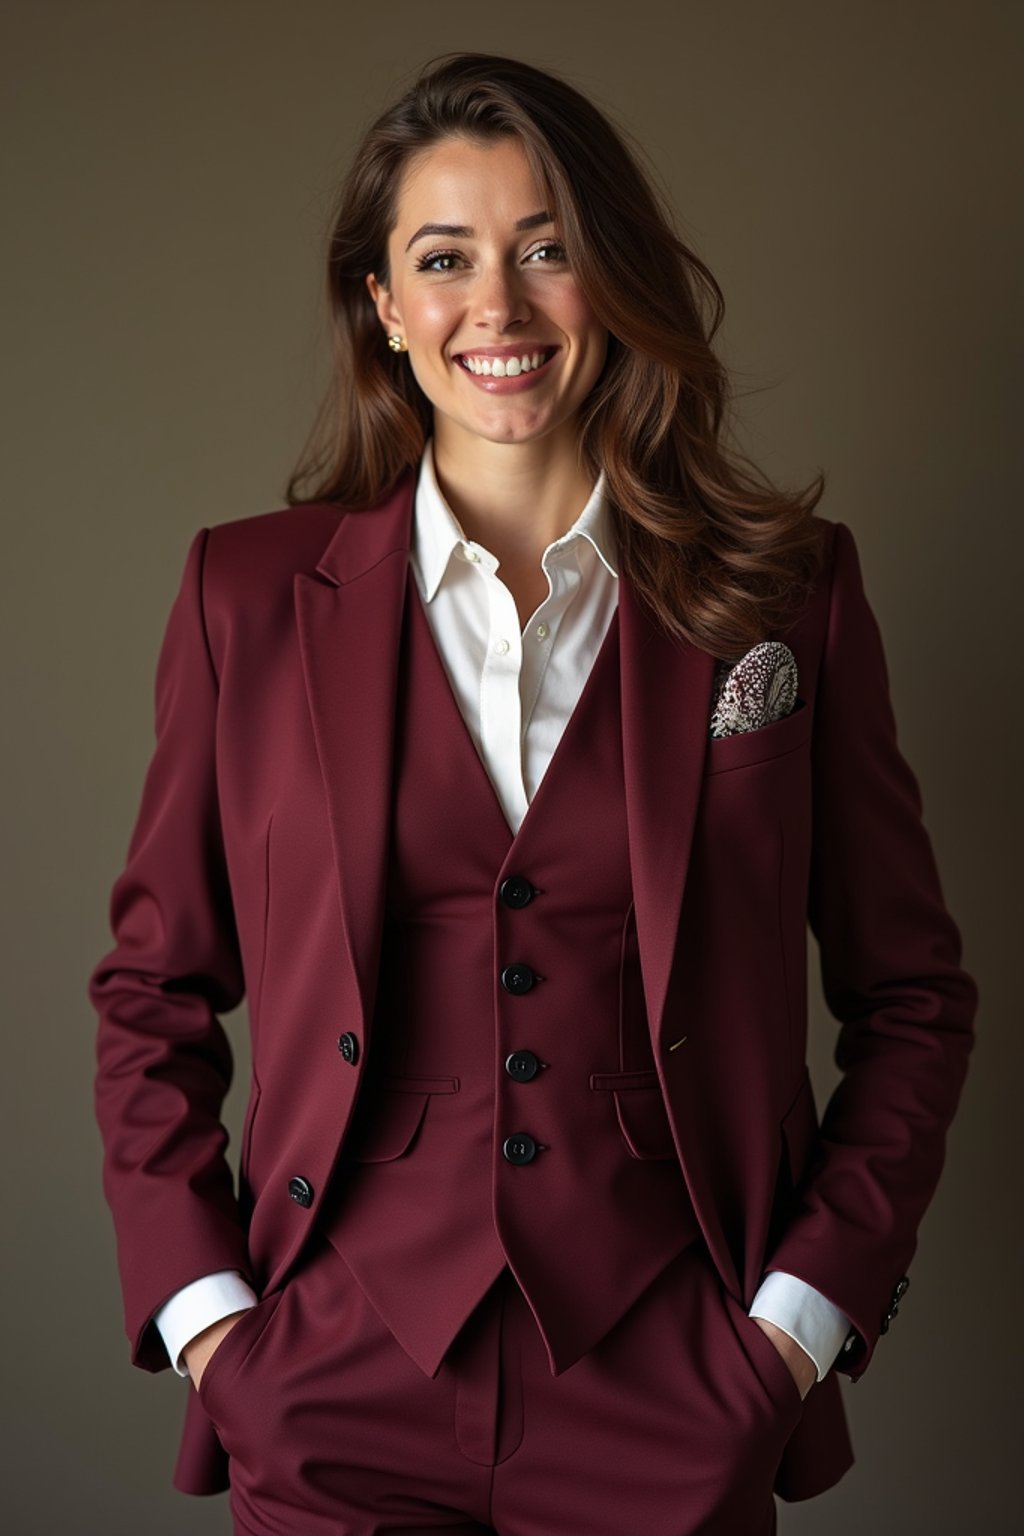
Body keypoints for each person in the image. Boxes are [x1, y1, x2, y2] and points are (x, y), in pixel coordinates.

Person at [88, 50, 978, 1536]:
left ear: (609, 282)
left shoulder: (789, 601)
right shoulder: (243, 596)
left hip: (675, 1385)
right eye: (444, 260)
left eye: (544, 251)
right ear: (383, 307)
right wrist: (212, 1327)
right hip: (326, 1382)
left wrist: (792, 1332)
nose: (494, 308)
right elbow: (151, 990)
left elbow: (913, 997)